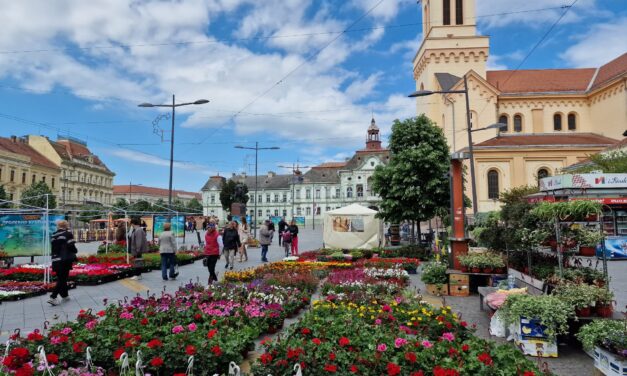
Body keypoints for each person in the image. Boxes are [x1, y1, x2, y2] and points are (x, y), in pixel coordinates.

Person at [48, 220, 78, 306]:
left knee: (62, 278)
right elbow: (71, 246)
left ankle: (65, 295)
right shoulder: (67, 234)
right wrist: (75, 253)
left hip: (55, 259)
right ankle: (53, 297)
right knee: (62, 278)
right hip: (64, 259)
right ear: (66, 226)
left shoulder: (53, 235)